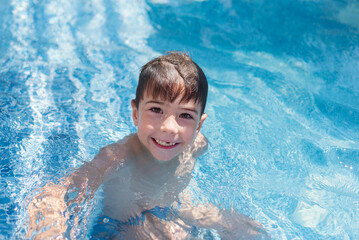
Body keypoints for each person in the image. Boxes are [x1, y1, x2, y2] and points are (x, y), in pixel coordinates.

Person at [26, 52, 268, 239]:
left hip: (173, 213)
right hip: (124, 227)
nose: (170, 128)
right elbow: (63, 189)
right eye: (156, 110)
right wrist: (51, 222)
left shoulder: (196, 145)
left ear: (199, 125)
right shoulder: (118, 155)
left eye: (185, 116)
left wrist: (212, 216)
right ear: (135, 113)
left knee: (247, 231)